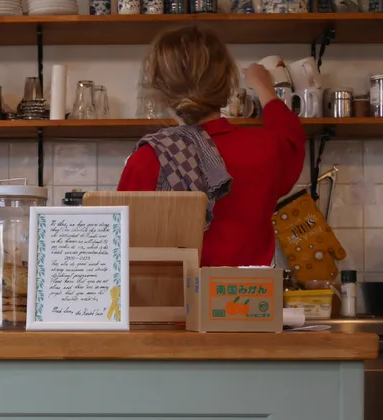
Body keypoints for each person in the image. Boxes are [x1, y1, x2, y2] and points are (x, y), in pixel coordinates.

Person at [118, 26, 306, 267]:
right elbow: (291, 136)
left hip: (172, 302)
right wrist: (263, 86)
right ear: (228, 81)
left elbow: (116, 246)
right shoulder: (266, 150)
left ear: (159, 89)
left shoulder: (148, 159)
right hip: (249, 298)